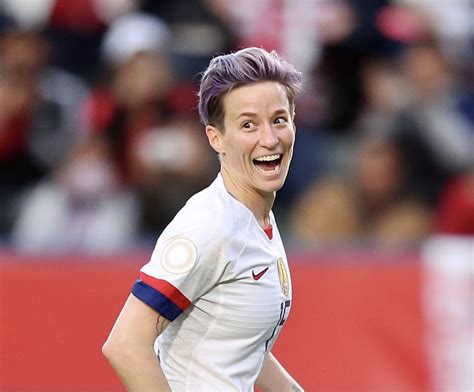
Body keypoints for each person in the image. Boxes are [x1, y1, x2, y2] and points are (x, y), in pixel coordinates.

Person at [102, 47, 304, 391]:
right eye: (248, 124)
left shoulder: (256, 217)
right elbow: (124, 344)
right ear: (216, 138)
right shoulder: (209, 227)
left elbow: (246, 346)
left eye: (279, 120)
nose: (269, 139)